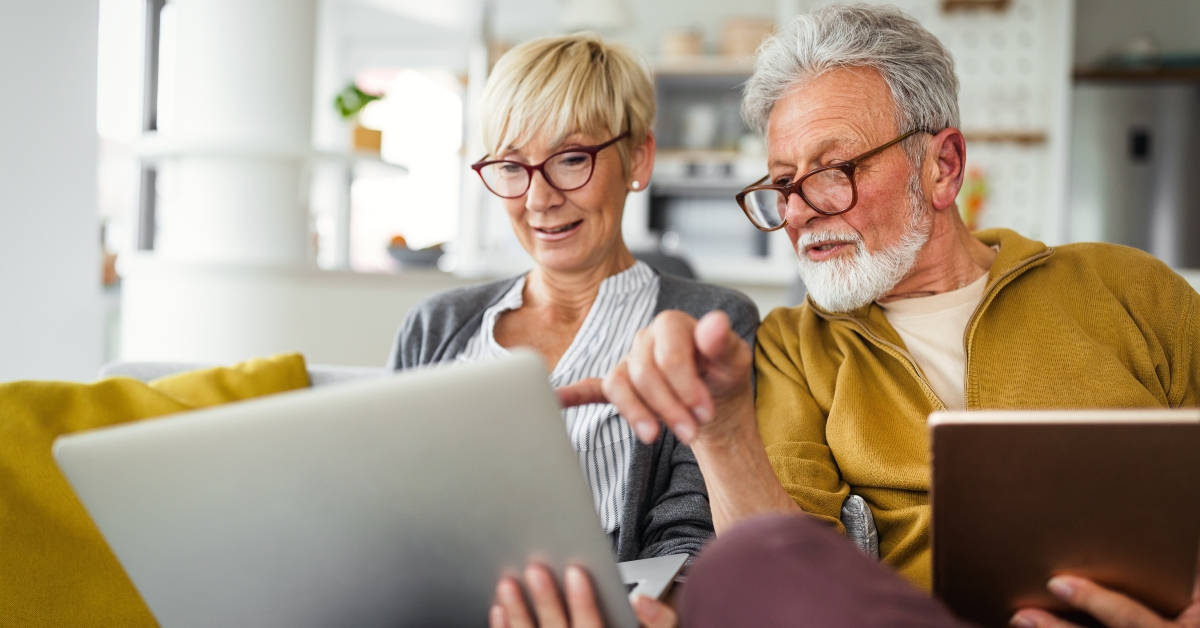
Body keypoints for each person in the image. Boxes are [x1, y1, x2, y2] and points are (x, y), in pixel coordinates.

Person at [492, 4, 1200, 628]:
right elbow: (781, 577)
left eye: (833, 170)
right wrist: (721, 430)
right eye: (781, 184)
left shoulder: (1128, 289)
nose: (798, 212)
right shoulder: (793, 349)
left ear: (943, 166)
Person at [388, 34, 758, 564]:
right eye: (512, 167)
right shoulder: (436, 325)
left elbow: (690, 545)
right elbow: (385, 508)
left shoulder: (709, 326)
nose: (539, 198)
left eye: (570, 159)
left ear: (638, 158)